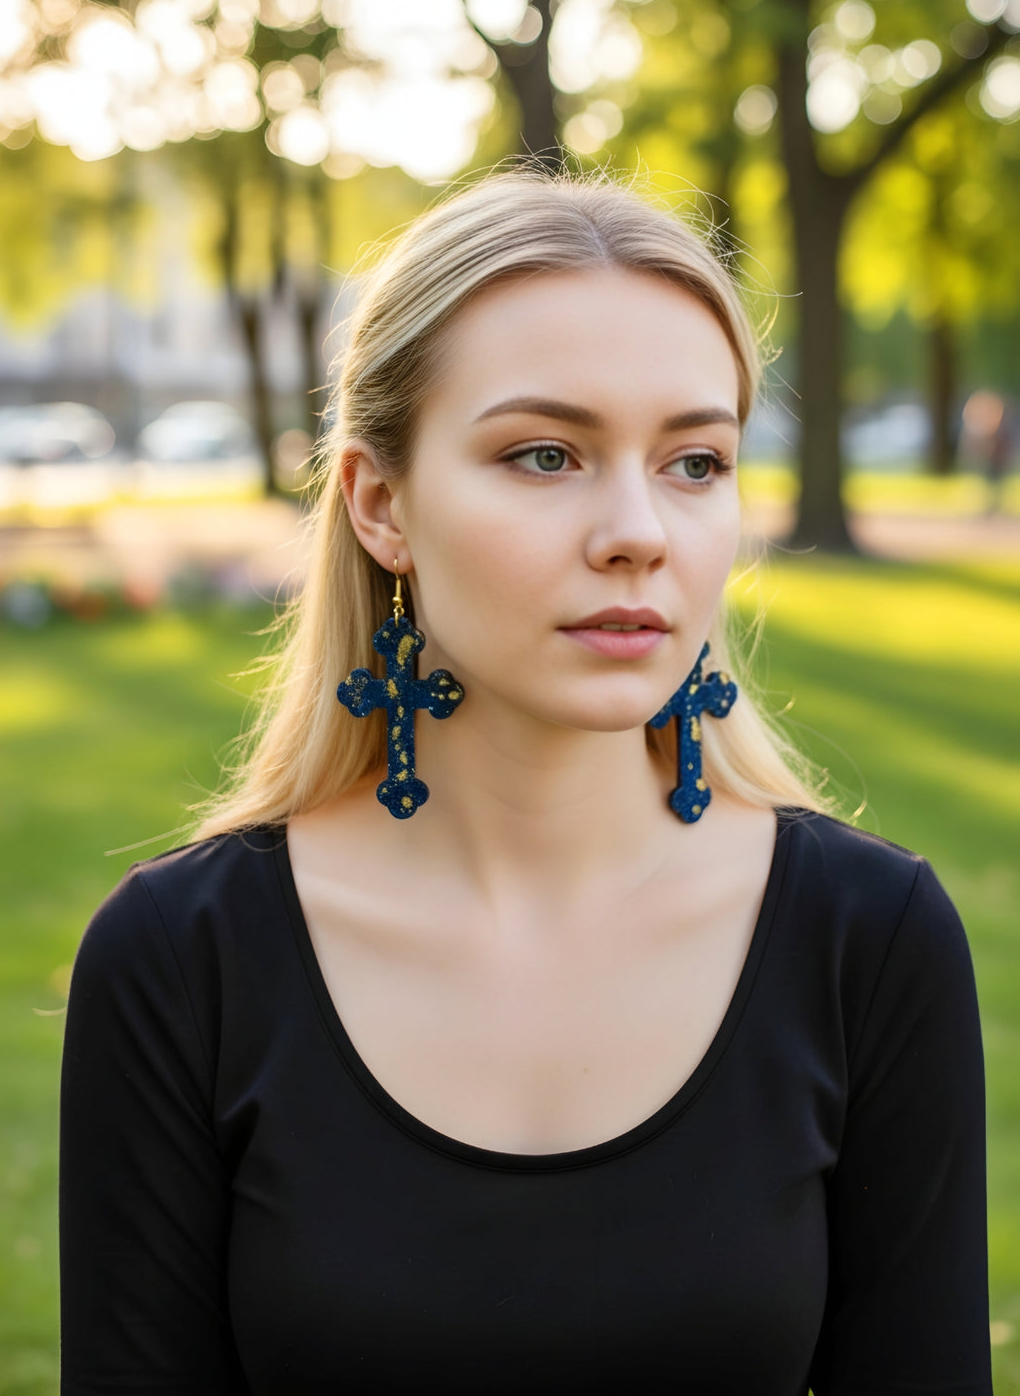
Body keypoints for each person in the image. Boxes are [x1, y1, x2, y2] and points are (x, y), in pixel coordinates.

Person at [59, 170, 991, 1395]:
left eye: (695, 462)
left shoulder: (868, 944)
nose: (637, 530)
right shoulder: (183, 963)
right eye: (546, 454)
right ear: (381, 504)